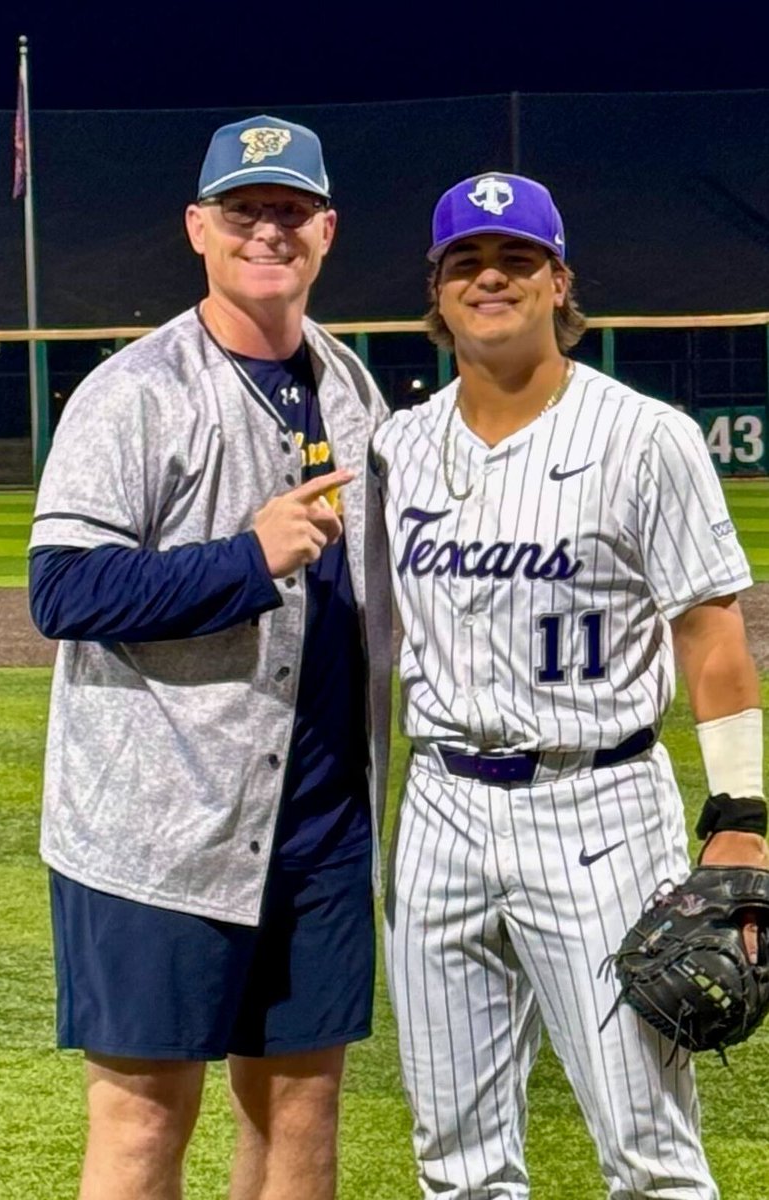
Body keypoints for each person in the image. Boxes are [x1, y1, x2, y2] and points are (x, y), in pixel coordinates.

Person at [372, 172, 769, 1199]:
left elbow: (712, 633)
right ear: (439, 289)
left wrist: (741, 815)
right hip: (442, 807)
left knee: (648, 1155)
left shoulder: (647, 436)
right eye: (467, 262)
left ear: (559, 283)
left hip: (599, 808)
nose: (490, 277)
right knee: (454, 1163)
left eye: (516, 260)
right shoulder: (399, 447)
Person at [27, 115, 391, 1200]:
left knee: (301, 1109)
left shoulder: (353, 387)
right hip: (160, 824)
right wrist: (247, 557)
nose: (266, 231)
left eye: (288, 211)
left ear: (326, 230)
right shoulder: (135, 391)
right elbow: (64, 590)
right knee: (144, 1119)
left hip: (320, 824)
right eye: (244, 212)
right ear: (199, 227)